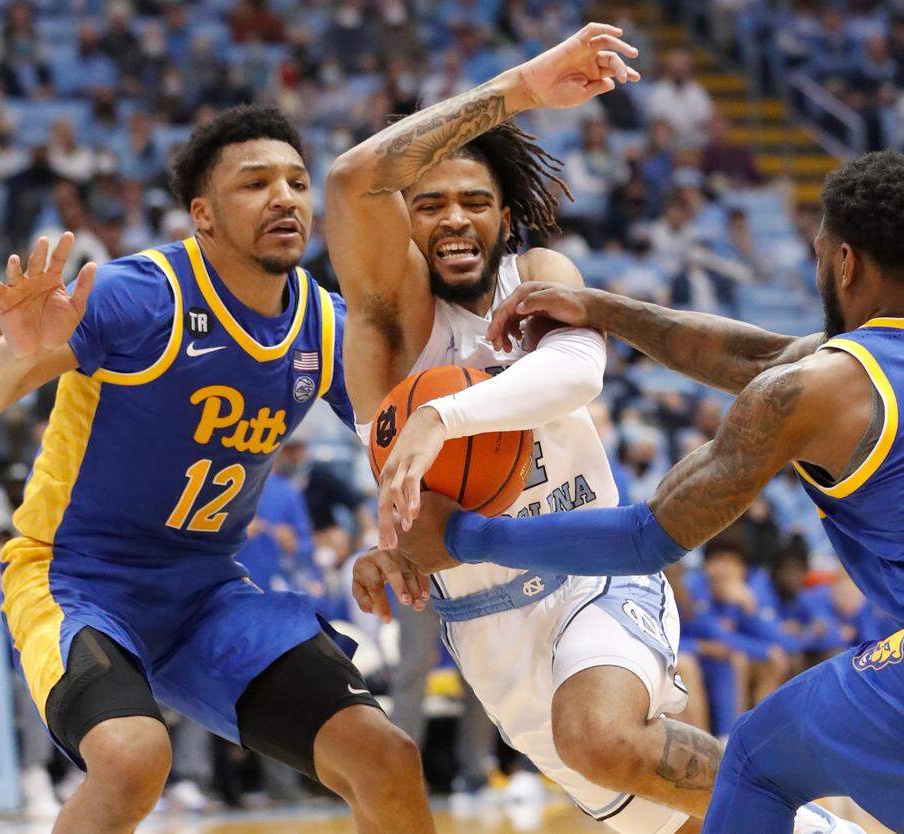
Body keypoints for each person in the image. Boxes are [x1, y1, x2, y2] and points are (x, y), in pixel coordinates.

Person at [393, 151, 904, 834]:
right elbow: (761, 355)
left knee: (753, 762)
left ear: (844, 261)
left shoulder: (821, 387)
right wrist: (605, 310)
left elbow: (645, 537)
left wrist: (464, 536)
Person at [325, 22, 859, 834]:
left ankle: (820, 818)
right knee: (666, 814)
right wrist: (391, 545)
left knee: (601, 736)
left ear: (507, 215)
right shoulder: (387, 326)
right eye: (429, 206)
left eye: (475, 201)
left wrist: (444, 414)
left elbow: (577, 373)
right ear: (404, 228)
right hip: (487, 627)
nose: (455, 220)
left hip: (594, 575)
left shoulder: (539, 277)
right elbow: (352, 178)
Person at [0, 105, 433, 834]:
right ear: (203, 215)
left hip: (205, 592)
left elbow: (399, 441)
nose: (285, 197)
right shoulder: (141, 295)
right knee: (134, 759)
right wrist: (16, 354)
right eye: (255, 183)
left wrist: (403, 540)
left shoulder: (322, 324)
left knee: (385, 757)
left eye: (296, 181)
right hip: (74, 576)